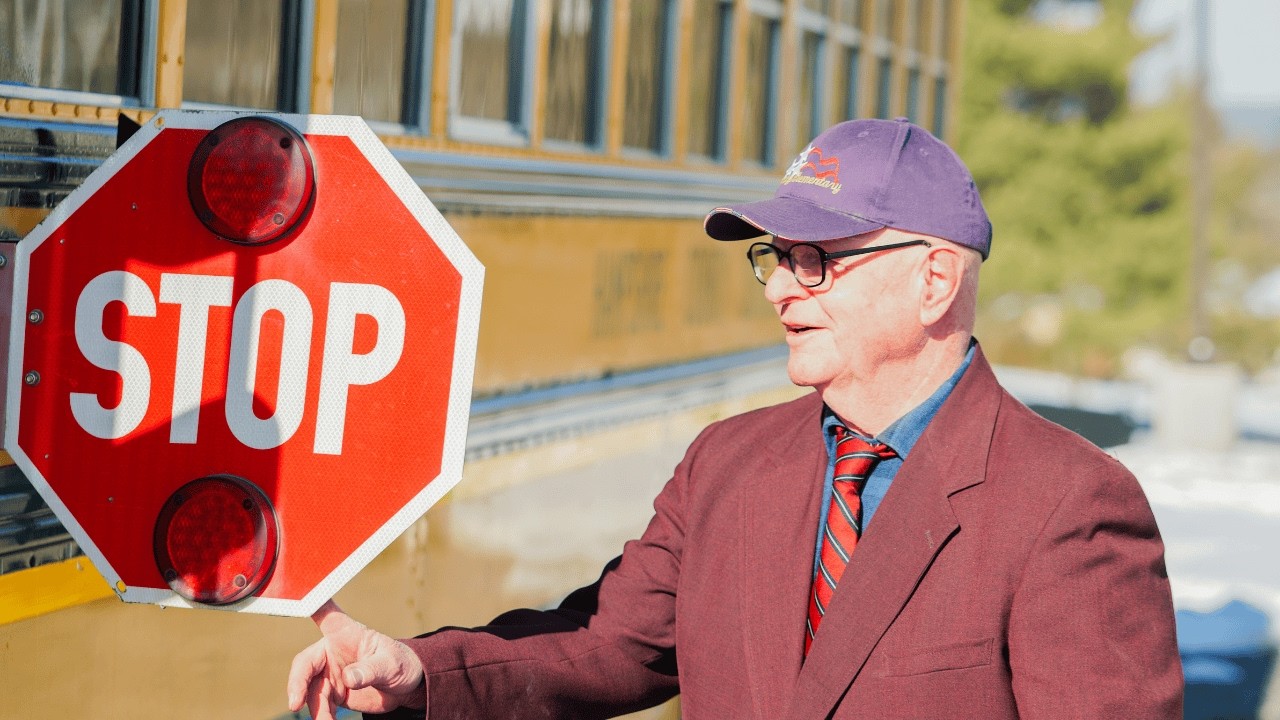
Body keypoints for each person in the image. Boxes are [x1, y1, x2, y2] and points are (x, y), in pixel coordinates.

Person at [286, 118, 1183, 719]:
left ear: (936, 280)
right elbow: (609, 644)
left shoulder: (1069, 505)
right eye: (775, 257)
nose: (783, 288)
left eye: (819, 261)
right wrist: (419, 670)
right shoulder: (728, 464)